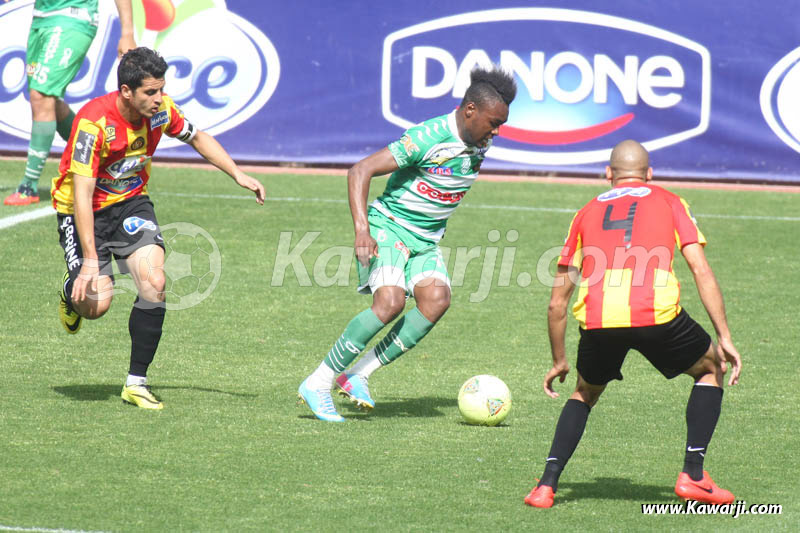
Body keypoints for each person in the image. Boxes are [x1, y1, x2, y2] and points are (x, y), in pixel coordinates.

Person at [524, 140, 742, 508]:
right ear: (649, 174)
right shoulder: (671, 201)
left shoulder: (585, 212)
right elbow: (700, 268)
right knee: (710, 368)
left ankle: (546, 486)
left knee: (584, 392)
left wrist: (559, 360)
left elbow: (556, 302)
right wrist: (725, 337)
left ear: (608, 173)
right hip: (656, 314)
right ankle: (693, 475)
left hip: (598, 319)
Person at [298, 65, 517, 422]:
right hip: (390, 227)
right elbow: (360, 170)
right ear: (470, 110)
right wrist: (362, 230)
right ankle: (318, 383)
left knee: (437, 300)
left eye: (501, 125)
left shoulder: (479, 140)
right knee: (390, 302)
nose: (496, 132)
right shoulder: (427, 137)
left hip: (426, 240)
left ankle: (357, 375)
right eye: (493, 123)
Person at [52, 47, 266, 410]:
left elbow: (198, 137)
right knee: (95, 305)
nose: (159, 98)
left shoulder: (161, 111)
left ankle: (136, 383)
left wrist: (238, 174)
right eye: (150, 92)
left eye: (161, 89)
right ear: (126, 92)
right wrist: (89, 261)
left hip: (131, 203)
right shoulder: (93, 123)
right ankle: (71, 290)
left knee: (154, 282)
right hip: (80, 211)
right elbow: (82, 195)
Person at [5, 0, 136, 206]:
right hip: (41, 19)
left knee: (42, 96)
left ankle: (28, 186)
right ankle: (104, 161)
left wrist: (127, 32)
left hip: (72, 18)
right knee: (50, 103)